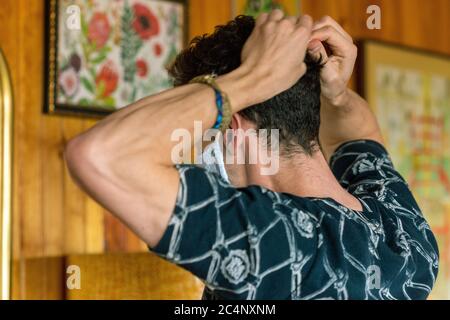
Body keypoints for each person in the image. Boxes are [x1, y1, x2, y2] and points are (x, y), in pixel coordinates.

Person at [65, 11, 439, 300]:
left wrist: (255, 77)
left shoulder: (276, 243)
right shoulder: (407, 236)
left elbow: (99, 155)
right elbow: (361, 132)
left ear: (229, 129)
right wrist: (337, 93)